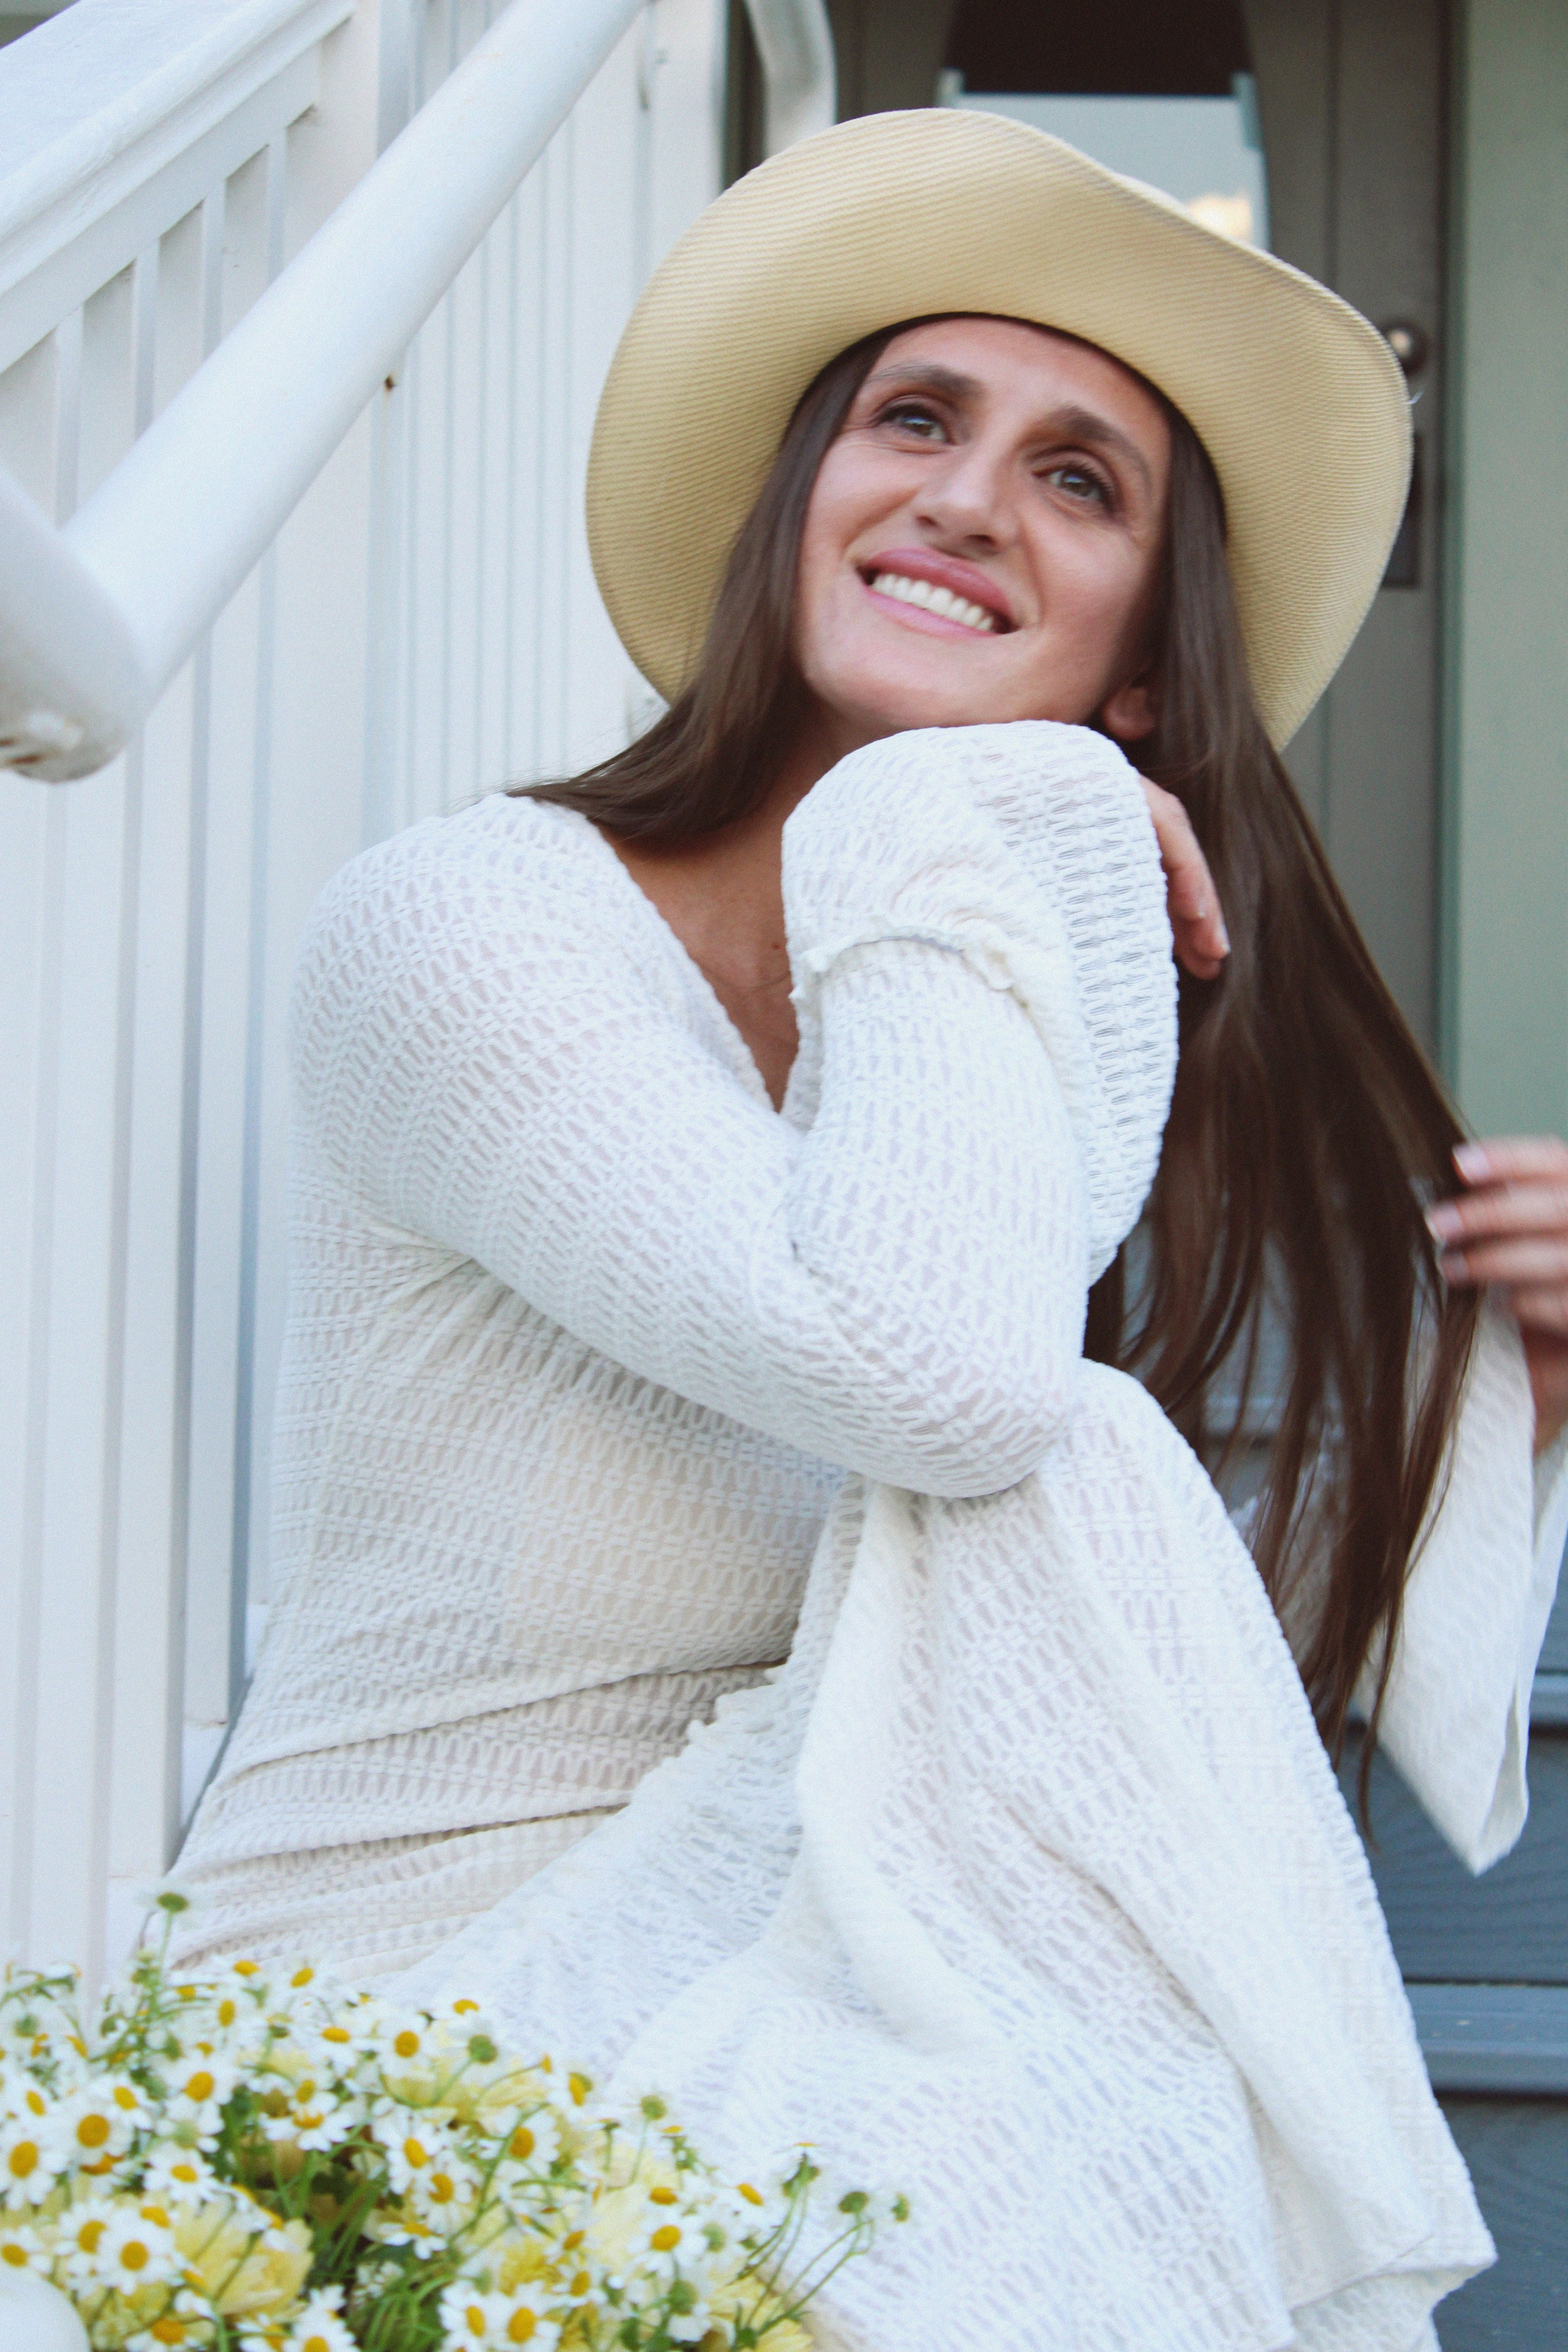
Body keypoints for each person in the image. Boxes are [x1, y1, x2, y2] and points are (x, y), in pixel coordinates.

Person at [174, 111, 1568, 2346]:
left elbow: (1045, 1660)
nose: (965, 499)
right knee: (1076, 1448)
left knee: (1081, 1479)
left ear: (1143, 674)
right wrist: (951, 800)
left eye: (1078, 480)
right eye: (915, 420)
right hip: (397, 2051)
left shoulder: (965, 1034)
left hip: (775, 2006)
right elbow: (936, 1387)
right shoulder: (464, 933)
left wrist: (1521, 1381)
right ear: (791, 513)